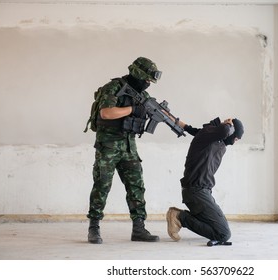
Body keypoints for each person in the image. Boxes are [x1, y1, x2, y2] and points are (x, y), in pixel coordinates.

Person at [87, 57, 163, 243]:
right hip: (109, 146)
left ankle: (139, 228)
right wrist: (132, 109)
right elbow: (106, 112)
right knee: (102, 185)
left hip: (129, 146)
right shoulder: (112, 87)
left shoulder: (142, 95)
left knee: (136, 186)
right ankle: (94, 228)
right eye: (146, 79)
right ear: (137, 73)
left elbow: (162, 113)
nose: (147, 84)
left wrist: (186, 127)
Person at [166, 117, 244, 245]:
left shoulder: (212, 139)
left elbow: (193, 130)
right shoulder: (210, 133)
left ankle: (182, 217)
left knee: (217, 226)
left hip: (202, 191)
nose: (235, 141)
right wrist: (229, 124)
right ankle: (180, 217)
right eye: (236, 137)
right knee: (223, 234)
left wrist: (179, 123)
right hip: (196, 191)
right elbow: (223, 131)